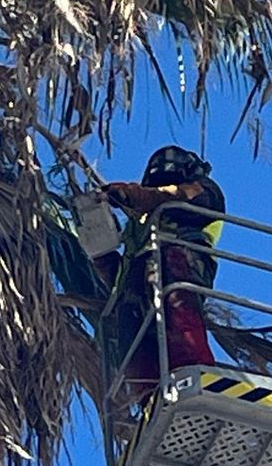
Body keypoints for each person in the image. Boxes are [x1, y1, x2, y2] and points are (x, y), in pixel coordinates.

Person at [95, 145, 225, 399]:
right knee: (131, 332)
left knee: (177, 312)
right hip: (138, 280)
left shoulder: (205, 191)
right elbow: (120, 271)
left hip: (180, 261)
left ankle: (194, 373)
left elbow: (181, 198)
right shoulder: (137, 223)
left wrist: (134, 195)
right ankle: (148, 398)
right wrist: (99, 247)